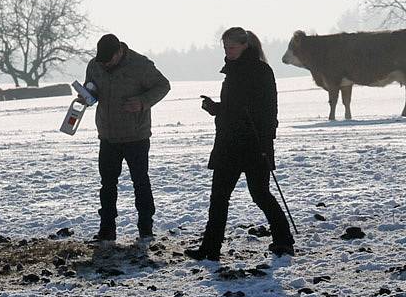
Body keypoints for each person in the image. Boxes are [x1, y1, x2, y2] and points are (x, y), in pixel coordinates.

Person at [185, 27, 294, 262]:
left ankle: (284, 239)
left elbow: (267, 110)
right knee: (219, 197)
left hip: (253, 144)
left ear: (245, 45)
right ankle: (210, 249)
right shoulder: (234, 71)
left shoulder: (260, 71)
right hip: (230, 143)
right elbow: (233, 107)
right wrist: (216, 108)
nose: (228, 51)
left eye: (231, 47)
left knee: (259, 194)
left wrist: (266, 141)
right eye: (225, 47)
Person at [84, 33, 171, 242]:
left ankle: (145, 227)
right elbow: (91, 87)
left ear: (119, 52)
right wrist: (87, 97)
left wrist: (143, 102)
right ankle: (107, 229)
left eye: (109, 61)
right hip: (107, 136)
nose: (105, 65)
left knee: (140, 181)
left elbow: (163, 85)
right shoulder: (95, 65)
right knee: (107, 184)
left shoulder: (140, 65)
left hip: (136, 136)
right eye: (101, 62)